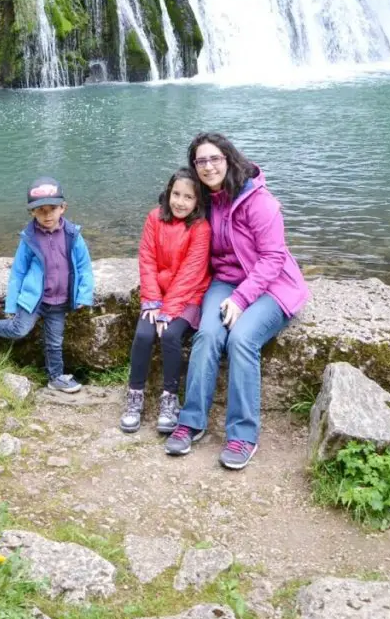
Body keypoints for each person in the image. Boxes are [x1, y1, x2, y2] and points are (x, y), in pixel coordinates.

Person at [164, 133, 309, 469]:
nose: (208, 166)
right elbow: (172, 220)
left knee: (242, 339)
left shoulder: (260, 201)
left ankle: (243, 434)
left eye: (214, 158)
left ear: (228, 159)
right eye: (201, 161)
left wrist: (242, 299)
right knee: (209, 334)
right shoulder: (205, 199)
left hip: (272, 285)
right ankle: (191, 421)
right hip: (226, 280)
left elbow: (273, 258)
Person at [0, 176, 94, 393]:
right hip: (33, 299)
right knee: (19, 329)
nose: (47, 215)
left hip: (60, 300)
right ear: (32, 212)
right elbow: (18, 272)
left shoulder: (73, 235)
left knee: (54, 342)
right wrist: (11, 305)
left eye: (52, 209)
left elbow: (84, 266)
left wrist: (83, 295)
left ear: (63, 208)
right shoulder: (29, 238)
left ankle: (55, 377)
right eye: (40, 210)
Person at [120, 168, 211, 435]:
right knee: (144, 334)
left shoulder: (201, 228)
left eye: (188, 197)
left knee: (170, 335)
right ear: (168, 193)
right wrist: (151, 301)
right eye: (176, 194)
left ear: (198, 202)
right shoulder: (154, 218)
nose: (180, 202)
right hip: (157, 295)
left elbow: (191, 273)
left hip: (189, 297)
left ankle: (169, 398)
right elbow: (146, 258)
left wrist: (169, 311)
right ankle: (135, 394)